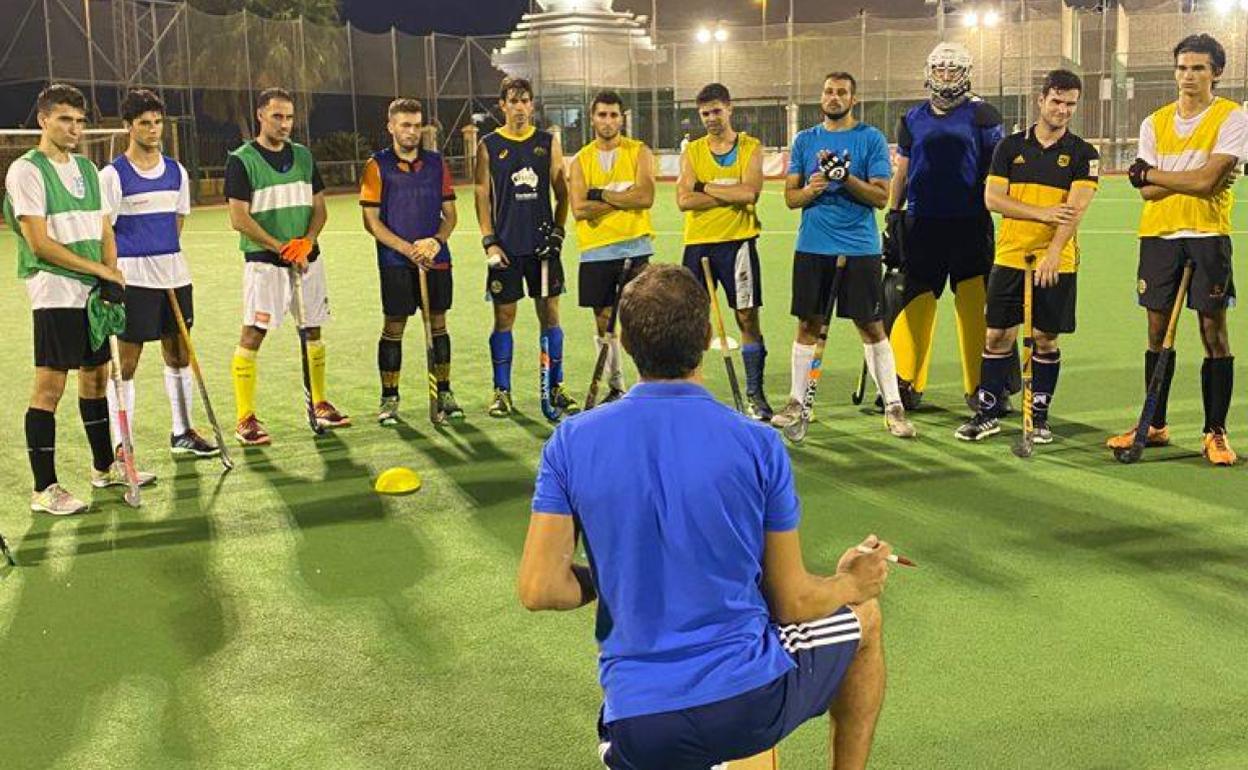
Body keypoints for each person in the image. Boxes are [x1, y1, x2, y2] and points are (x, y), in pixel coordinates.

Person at [518, 263, 893, 770]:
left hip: (639, 728)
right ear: (707, 340)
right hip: (747, 708)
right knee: (863, 620)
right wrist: (852, 582)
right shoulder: (758, 444)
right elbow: (792, 601)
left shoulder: (570, 442)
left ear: (625, 344)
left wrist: (611, 578)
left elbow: (541, 589)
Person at [3, 84, 153, 514]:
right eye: (65, 119)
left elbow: (104, 229)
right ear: (43, 120)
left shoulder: (88, 169)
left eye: (80, 121)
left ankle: (104, 467)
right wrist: (101, 271)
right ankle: (43, 489)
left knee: (95, 378)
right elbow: (39, 243)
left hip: (93, 291)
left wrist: (112, 273)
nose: (75, 128)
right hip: (55, 291)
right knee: (50, 388)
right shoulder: (26, 171)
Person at [1107, 34, 1244, 466]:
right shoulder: (1155, 122)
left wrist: (1158, 174)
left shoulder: (1233, 116)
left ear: (1216, 72)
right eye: (1183, 67)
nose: (1188, 76)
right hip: (1159, 235)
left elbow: (1205, 182)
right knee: (1155, 330)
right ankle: (1155, 423)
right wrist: (1182, 176)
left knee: (1213, 332)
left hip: (1207, 234)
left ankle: (1215, 431)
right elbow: (1147, 193)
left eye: (1199, 68)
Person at [956, 70, 1100, 442]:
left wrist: (1053, 251)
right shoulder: (1010, 147)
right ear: (1040, 100)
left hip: (1057, 260)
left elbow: (1074, 211)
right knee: (997, 334)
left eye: (1070, 104)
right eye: (1056, 101)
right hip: (1010, 256)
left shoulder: (1084, 154)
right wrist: (1041, 213)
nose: (1063, 110)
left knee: (1045, 338)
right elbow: (993, 199)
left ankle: (1039, 417)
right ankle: (987, 412)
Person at [774, 71, 916, 438]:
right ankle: (795, 401)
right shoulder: (806, 140)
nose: (833, 97)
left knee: (871, 327)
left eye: (841, 93)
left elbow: (881, 196)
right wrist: (813, 188)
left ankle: (894, 406)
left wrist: (845, 178)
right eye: (828, 92)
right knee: (808, 325)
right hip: (813, 247)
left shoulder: (869, 139)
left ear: (853, 99)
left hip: (859, 249)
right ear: (821, 98)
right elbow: (791, 198)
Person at [225, 87, 349, 446]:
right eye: (277, 116)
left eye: (290, 117)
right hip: (266, 264)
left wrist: (306, 242)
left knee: (313, 330)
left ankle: (320, 404)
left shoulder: (304, 157)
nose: (284, 124)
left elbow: (320, 208)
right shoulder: (242, 159)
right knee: (253, 333)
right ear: (261, 115)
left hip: (306, 259)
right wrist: (280, 246)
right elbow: (239, 218)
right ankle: (245, 418)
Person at [886, 42, 1005, 410]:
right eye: (939, 69)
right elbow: (903, 170)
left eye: (953, 70)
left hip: (970, 224)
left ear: (965, 73)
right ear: (929, 72)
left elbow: (996, 167)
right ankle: (904, 383)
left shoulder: (983, 114)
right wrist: (893, 212)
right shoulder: (912, 118)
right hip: (922, 225)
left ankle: (983, 389)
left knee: (974, 306)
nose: (946, 76)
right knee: (916, 303)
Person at [100, 88, 218, 458]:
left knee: (179, 354)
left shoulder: (176, 172)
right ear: (128, 127)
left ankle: (182, 432)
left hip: (175, 276)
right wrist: (113, 275)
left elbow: (177, 220)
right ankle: (122, 444)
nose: (153, 130)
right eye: (144, 124)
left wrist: (165, 256)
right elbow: (106, 230)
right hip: (133, 280)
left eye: (157, 123)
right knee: (127, 362)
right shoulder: (113, 175)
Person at [474, 76, 578, 418]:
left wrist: (559, 233)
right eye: (513, 101)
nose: (519, 107)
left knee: (550, 315)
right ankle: (501, 391)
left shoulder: (548, 142)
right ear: (502, 106)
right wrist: (489, 241)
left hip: (542, 249)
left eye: (525, 101)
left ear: (532, 105)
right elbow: (481, 195)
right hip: (506, 248)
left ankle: (556, 386)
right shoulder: (488, 145)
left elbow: (562, 191)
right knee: (504, 318)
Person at [360, 97, 462, 425]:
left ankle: (444, 391)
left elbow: (450, 215)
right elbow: (371, 222)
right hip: (395, 261)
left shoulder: (436, 164)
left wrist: (436, 241)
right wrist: (407, 249)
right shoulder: (377, 165)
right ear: (391, 126)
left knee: (438, 325)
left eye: (417, 125)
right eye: (405, 125)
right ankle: (389, 398)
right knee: (394, 326)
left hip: (435, 259)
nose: (412, 132)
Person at [678, 83, 774, 420]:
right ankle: (693, 392)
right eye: (705, 113)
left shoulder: (750, 147)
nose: (711, 118)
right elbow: (683, 200)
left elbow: (750, 194)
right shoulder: (692, 151)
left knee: (747, 316)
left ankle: (755, 394)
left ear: (729, 109)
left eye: (716, 111)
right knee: (692, 321)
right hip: (698, 244)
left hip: (739, 243)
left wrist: (704, 186)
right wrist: (728, 191)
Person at [568, 89, 655, 403]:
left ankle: (649, 384)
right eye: (602, 114)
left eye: (613, 115)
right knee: (604, 321)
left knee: (640, 320)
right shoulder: (580, 160)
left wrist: (600, 195)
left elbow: (645, 197)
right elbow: (579, 209)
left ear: (622, 118)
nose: (608, 121)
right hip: (596, 251)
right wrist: (622, 199)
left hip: (636, 247)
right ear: (592, 118)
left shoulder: (639, 152)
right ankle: (617, 386)